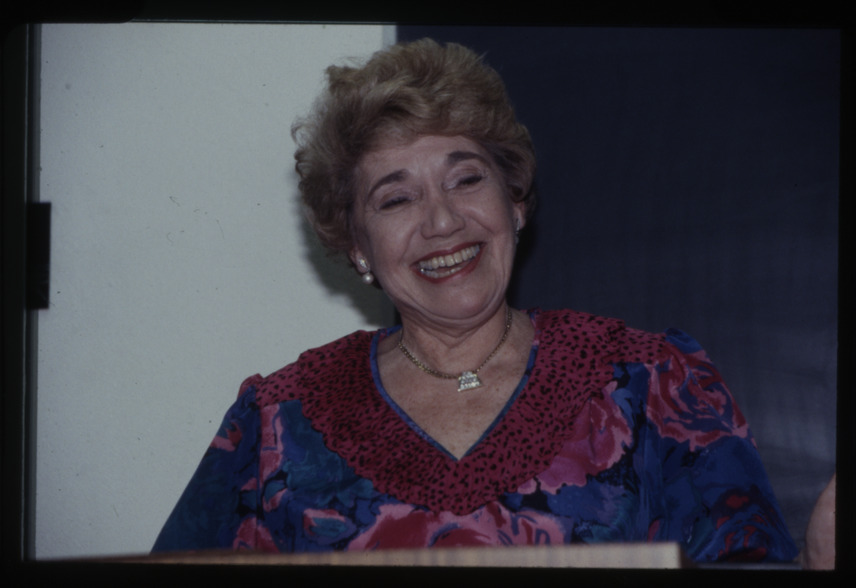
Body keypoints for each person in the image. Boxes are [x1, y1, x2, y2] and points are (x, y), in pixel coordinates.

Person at [152, 38, 798, 563]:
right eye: (396, 198)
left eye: (466, 179)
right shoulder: (273, 424)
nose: (442, 222)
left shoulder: (655, 386)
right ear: (356, 246)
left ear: (514, 203)